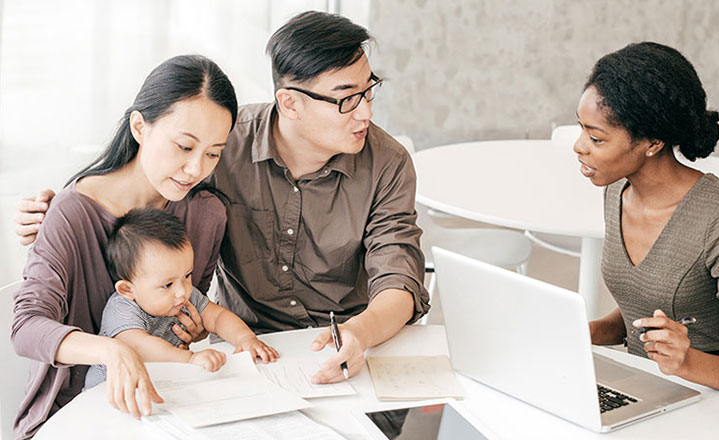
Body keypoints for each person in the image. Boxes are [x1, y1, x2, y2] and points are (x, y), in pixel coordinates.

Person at [14, 12, 429, 387]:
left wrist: (361, 332)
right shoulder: (226, 146)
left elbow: (399, 276)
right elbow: (130, 173)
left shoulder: (205, 203)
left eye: (368, 91)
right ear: (289, 102)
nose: (197, 169)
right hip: (197, 373)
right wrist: (52, 208)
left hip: (330, 350)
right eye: (346, 99)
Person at [11, 54, 238, 439]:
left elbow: (184, 312)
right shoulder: (70, 212)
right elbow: (27, 328)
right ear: (139, 127)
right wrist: (113, 350)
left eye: (212, 153)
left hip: (172, 401)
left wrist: (192, 328)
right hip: (77, 415)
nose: (196, 169)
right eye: (184, 146)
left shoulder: (206, 214)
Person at [574, 42, 719, 404]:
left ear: (652, 143)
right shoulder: (617, 189)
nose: (579, 146)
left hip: (717, 403)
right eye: (582, 129)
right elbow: (647, 299)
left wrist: (686, 360)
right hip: (645, 390)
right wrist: (589, 331)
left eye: (596, 137)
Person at [84, 208, 279, 389]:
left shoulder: (182, 294)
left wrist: (245, 338)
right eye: (167, 285)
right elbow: (139, 347)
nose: (182, 292)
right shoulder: (122, 308)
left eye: (187, 275)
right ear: (128, 289)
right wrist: (189, 359)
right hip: (107, 392)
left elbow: (218, 317)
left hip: (158, 386)